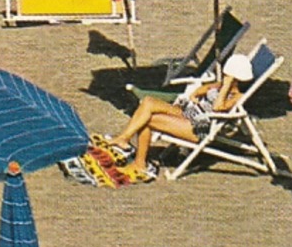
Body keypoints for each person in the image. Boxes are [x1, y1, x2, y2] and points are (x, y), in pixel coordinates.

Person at [99, 53, 252, 179]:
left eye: (228, 75)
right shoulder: (219, 85)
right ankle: (124, 138)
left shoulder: (237, 97)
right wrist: (216, 87)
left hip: (198, 127)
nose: (224, 77)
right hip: (188, 112)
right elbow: (197, 92)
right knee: (148, 102)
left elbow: (218, 108)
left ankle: (140, 164)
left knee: (148, 120)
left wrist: (225, 87)